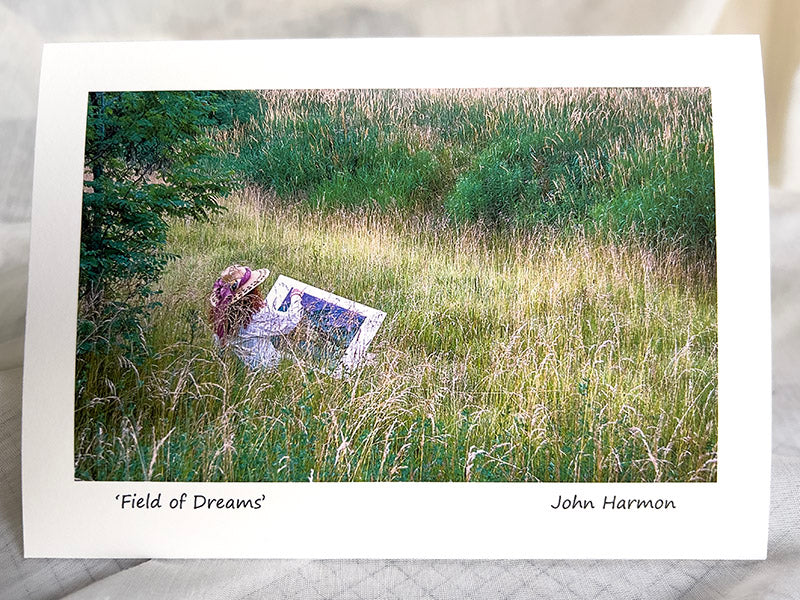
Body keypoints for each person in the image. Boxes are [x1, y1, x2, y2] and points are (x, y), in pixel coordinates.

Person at [208, 264, 304, 370]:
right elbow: (290, 321)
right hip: (264, 365)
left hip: (238, 364)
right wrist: (296, 296)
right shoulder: (256, 314)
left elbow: (218, 343)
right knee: (295, 360)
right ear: (252, 290)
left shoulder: (221, 315)